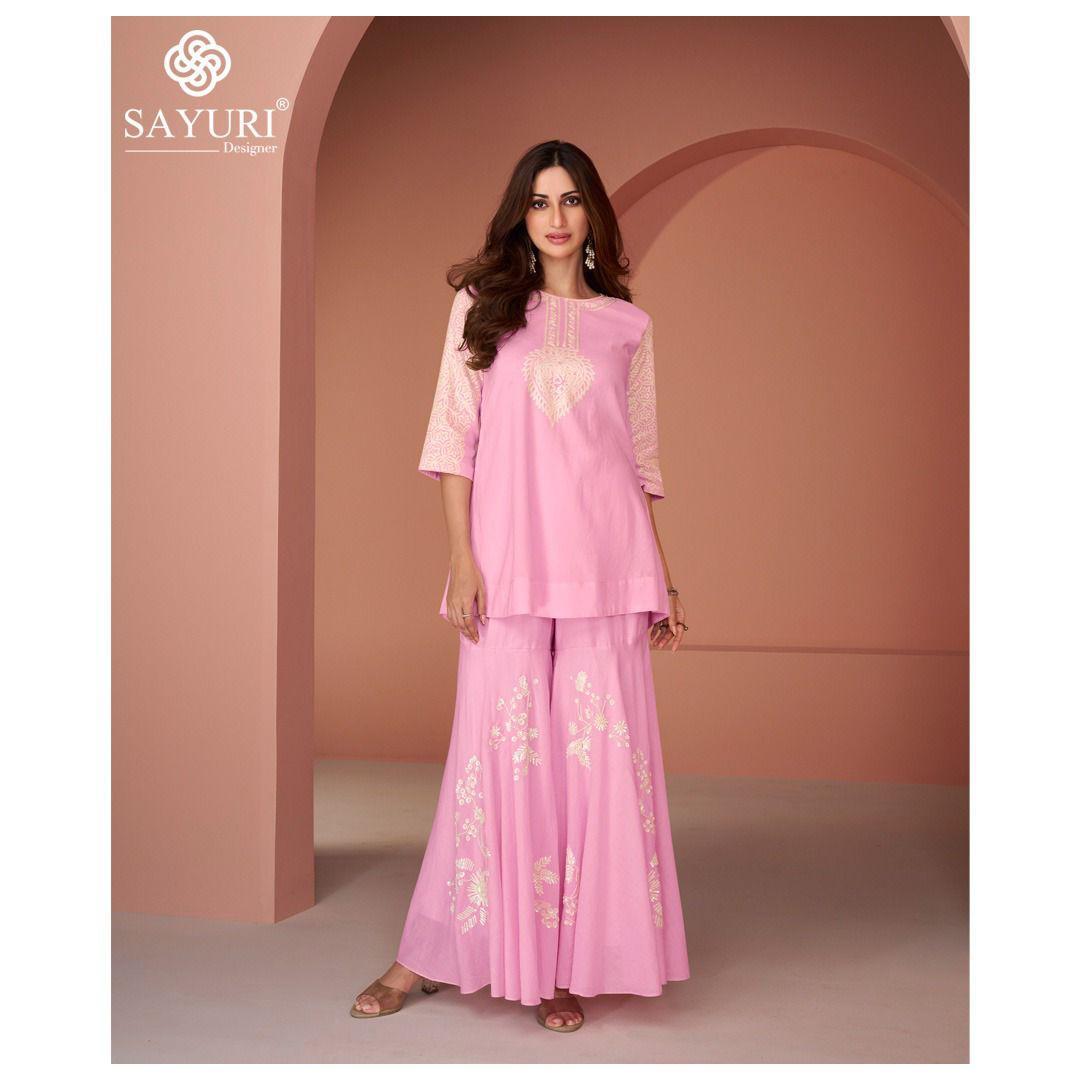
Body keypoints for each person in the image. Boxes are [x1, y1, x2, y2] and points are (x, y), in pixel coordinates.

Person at [351, 139, 690, 1032]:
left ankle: (562, 969)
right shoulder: (483, 309)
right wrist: (462, 559)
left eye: (571, 199)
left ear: (593, 214)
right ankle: (427, 953)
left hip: (608, 567)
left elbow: (637, 464)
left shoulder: (629, 327)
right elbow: (451, 440)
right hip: (504, 561)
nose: (555, 216)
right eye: (539, 201)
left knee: (593, 769)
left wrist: (661, 579)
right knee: (496, 759)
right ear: (521, 215)